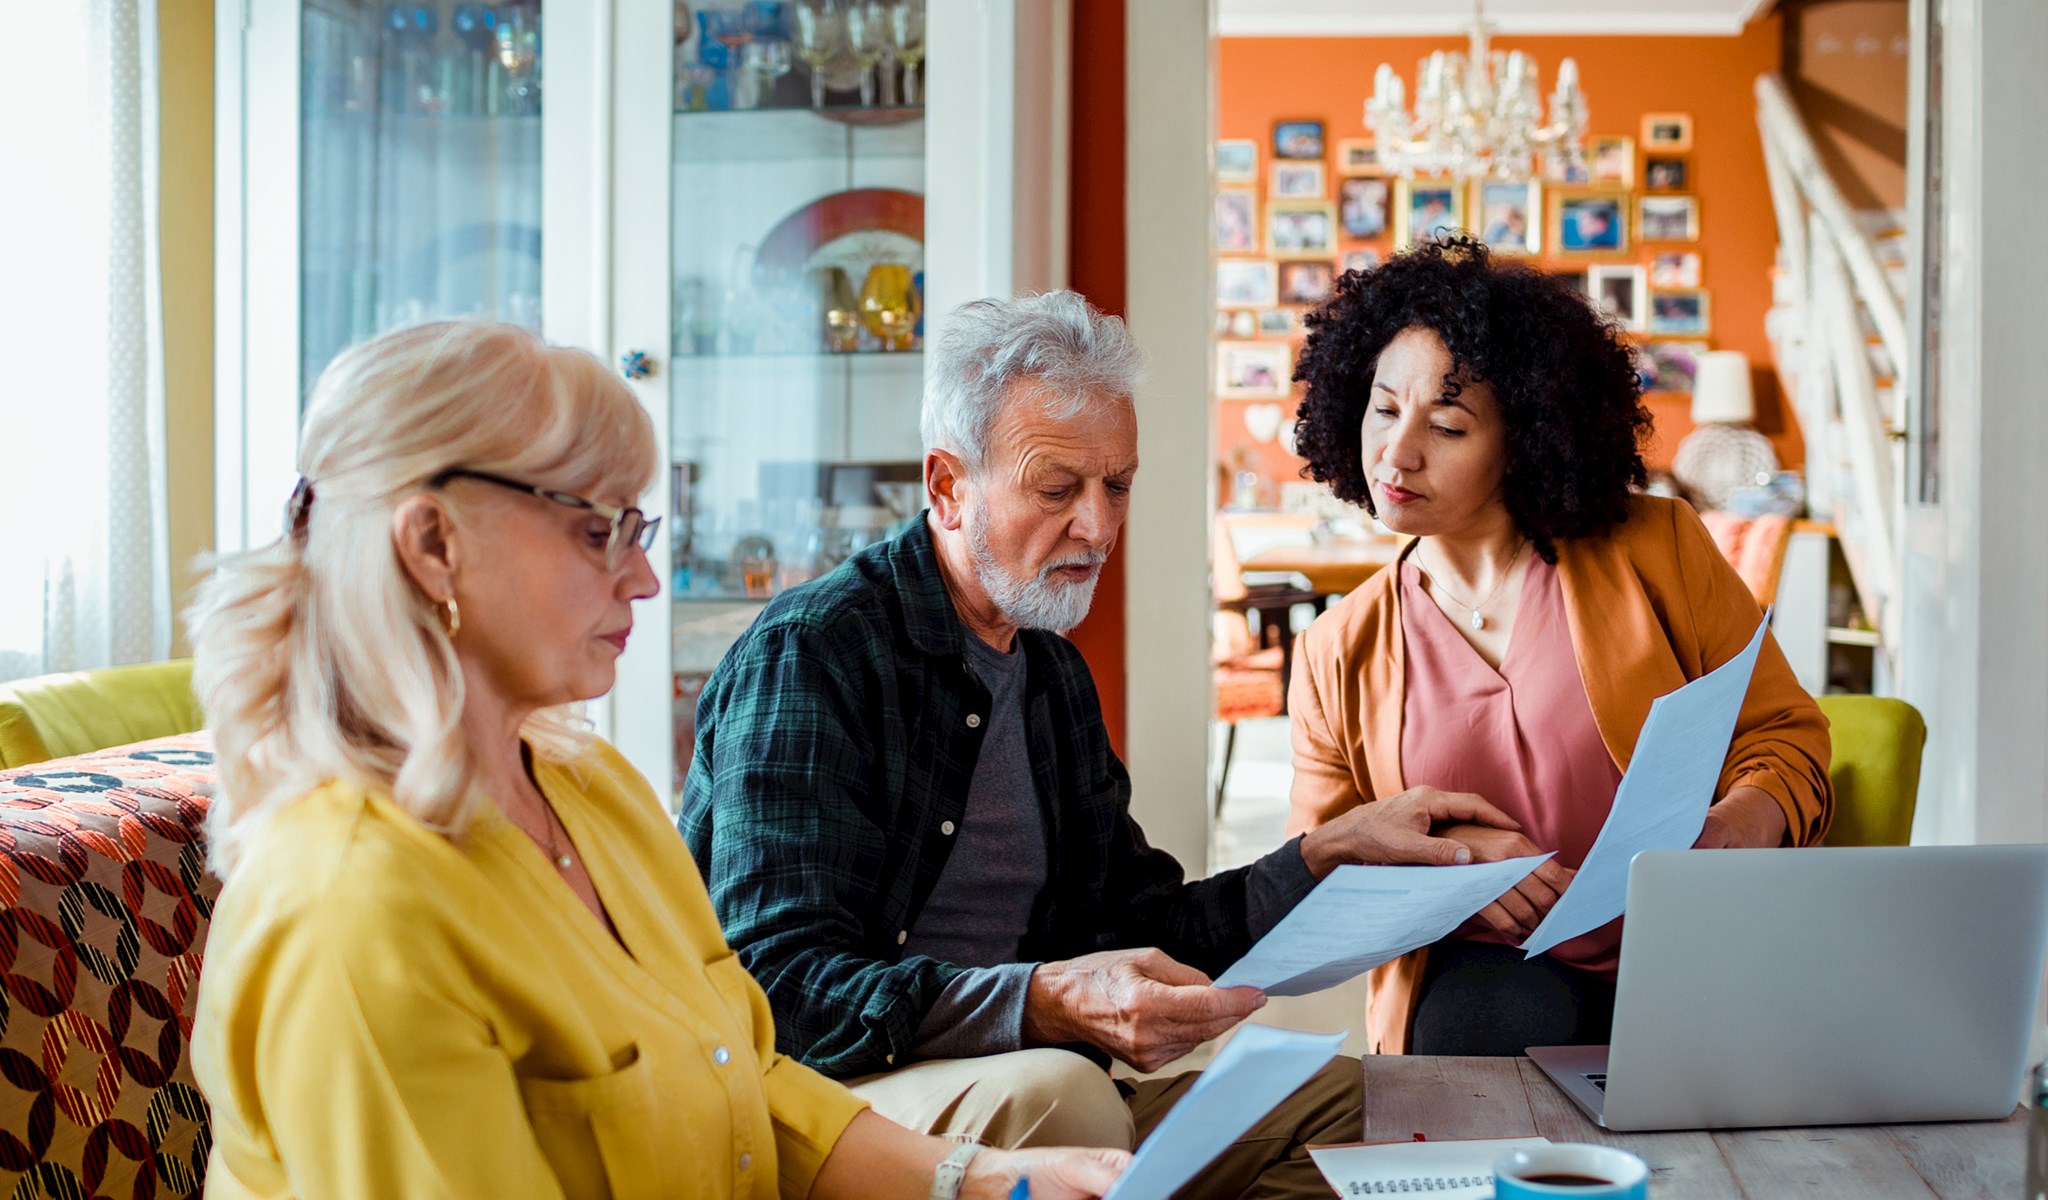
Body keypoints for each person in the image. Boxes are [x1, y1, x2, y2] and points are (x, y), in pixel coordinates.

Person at [186, 321, 1127, 1200]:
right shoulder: (352, 911)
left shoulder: (592, 795)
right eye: (599, 531)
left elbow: (751, 1080)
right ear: (434, 544)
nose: (642, 577)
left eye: (640, 531)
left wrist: (984, 1180)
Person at [683, 291, 1526, 1199]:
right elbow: (777, 984)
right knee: (1069, 1095)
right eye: (1056, 489)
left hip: (1040, 1091)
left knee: (1391, 1109)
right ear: (947, 487)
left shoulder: (1049, 673)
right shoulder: (814, 653)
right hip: (838, 1109)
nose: (1098, 526)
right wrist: (1040, 1003)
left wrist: (1331, 851)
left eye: (1116, 485)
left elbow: (1141, 923)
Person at [1284, 238, 1834, 1057]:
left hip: (1686, 944)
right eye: (1384, 408)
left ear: (1525, 440)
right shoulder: (1337, 649)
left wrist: (1740, 823)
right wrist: (1451, 874)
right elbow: (1321, 884)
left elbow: (1784, 736)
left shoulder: (1661, 548)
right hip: (1491, 978)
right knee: (1481, 1024)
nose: (1397, 453)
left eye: (1448, 424)